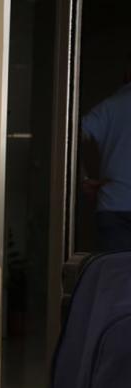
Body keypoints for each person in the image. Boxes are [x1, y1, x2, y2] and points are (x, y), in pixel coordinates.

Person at [80, 61, 131, 251]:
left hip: (114, 204)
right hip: (113, 209)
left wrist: (81, 178)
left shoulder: (110, 107)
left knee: (115, 275)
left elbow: (68, 137)